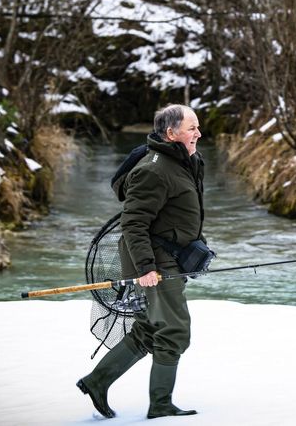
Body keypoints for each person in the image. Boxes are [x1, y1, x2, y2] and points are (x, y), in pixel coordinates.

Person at [77, 104, 204, 419]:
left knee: (150, 327)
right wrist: (146, 268)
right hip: (154, 263)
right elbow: (133, 224)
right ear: (171, 133)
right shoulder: (153, 169)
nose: (198, 134)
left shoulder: (187, 160)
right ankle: (160, 405)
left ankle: (97, 382)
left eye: (198, 127)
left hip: (171, 258)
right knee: (174, 330)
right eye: (192, 128)